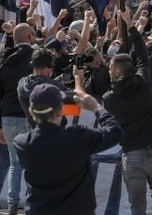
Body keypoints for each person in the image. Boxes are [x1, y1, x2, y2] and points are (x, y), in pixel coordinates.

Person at [102, 12, 152, 215]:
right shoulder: (144, 83)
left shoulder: (109, 98)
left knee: (137, 207)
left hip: (132, 155)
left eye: (110, 69)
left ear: (117, 72)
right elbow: (143, 54)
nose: (108, 71)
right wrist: (131, 25)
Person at [13, 84, 122, 215]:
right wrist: (96, 107)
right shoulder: (77, 138)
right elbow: (115, 132)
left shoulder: (22, 144)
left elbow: (49, 140)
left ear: (31, 111)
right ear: (61, 110)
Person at [0, 22, 35, 214]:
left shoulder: (1, 61)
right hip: (30, 117)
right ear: (30, 37)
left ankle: (12, 205)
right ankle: (33, 205)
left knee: (15, 164)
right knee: (33, 163)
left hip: (7, 118)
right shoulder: (36, 59)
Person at [16, 48, 70, 127]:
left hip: (33, 133)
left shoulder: (22, 83)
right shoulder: (54, 86)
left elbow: (39, 85)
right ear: (50, 65)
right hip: (55, 134)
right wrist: (78, 78)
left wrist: (57, 80)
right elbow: (76, 97)